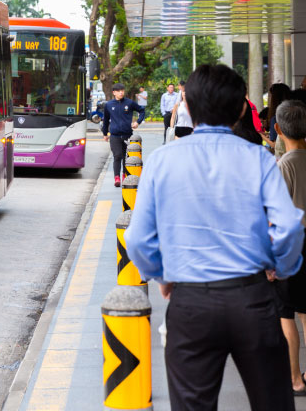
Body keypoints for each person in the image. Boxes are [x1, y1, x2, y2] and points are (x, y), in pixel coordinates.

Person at [124, 64, 304, 411]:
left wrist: (163, 274)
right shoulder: (259, 159)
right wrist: (280, 267)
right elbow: (289, 227)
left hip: (190, 303)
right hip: (253, 298)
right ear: (241, 110)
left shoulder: (162, 161)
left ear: (188, 107)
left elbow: (138, 240)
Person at [271, 100, 306, 397]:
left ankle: (295, 380)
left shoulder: (284, 165)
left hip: (294, 246)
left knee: (286, 315)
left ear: (278, 129)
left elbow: (278, 217)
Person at [102, 82, 145, 187]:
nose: (121, 93)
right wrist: (105, 133)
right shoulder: (109, 105)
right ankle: (116, 177)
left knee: (126, 158)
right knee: (117, 156)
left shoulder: (129, 103)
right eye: (118, 91)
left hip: (127, 135)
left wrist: (138, 122)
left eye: (122, 91)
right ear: (114, 93)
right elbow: (106, 120)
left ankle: (124, 175)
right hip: (114, 135)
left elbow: (142, 110)